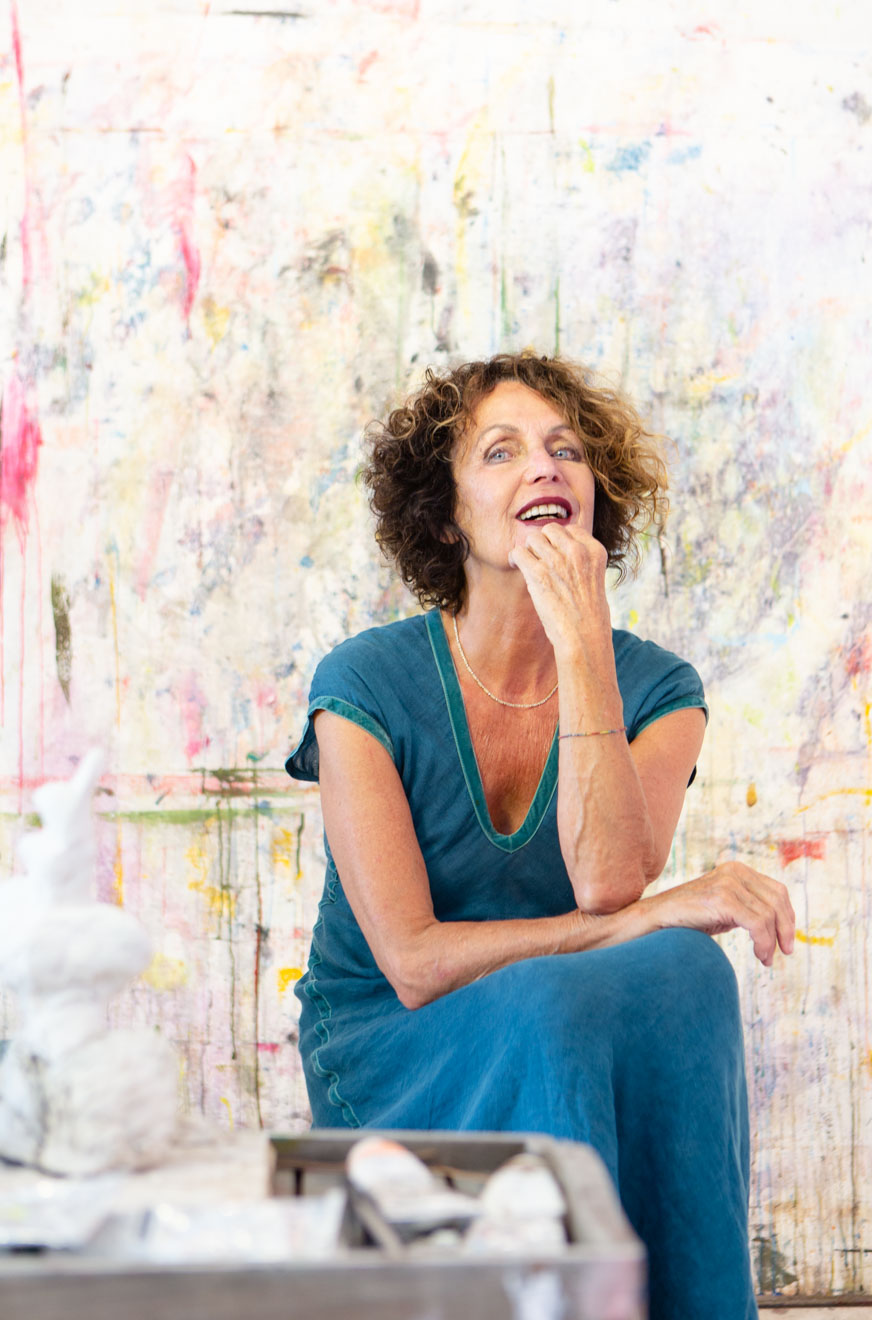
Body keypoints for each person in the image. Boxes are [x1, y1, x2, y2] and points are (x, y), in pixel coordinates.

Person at [286, 350, 795, 1319]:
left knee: (688, 971)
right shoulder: (361, 686)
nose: (546, 467)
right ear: (445, 515)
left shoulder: (659, 690)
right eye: (502, 452)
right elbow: (415, 964)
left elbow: (607, 882)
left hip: (550, 1017)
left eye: (567, 450)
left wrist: (582, 646)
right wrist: (650, 918)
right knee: (575, 994)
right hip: (393, 1044)